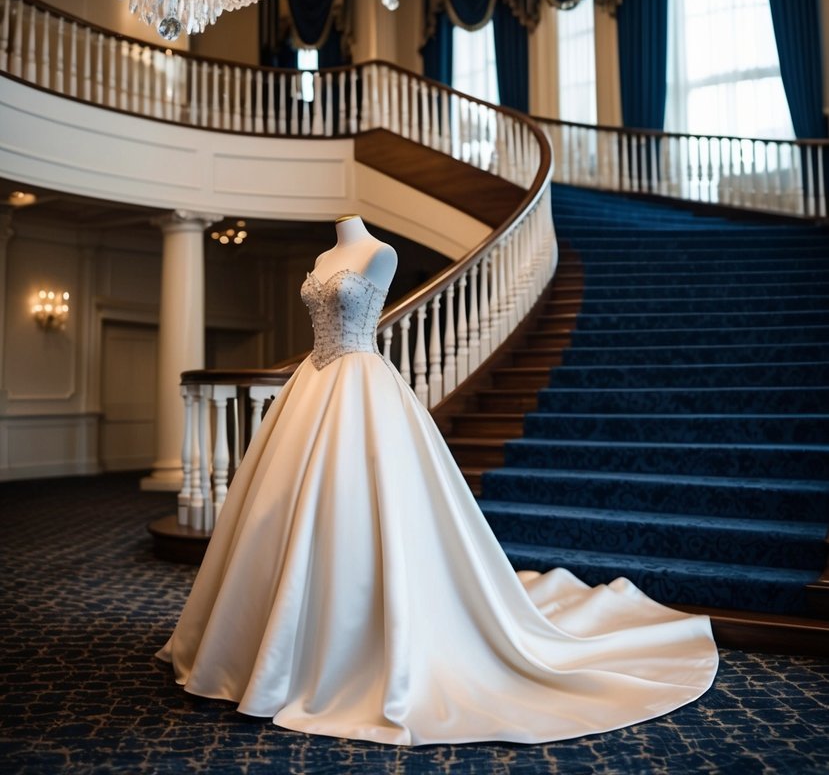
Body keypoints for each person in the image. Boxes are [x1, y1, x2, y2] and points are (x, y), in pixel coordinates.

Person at [159, 215, 718, 746]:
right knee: (277, 512)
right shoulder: (326, 255)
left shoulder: (380, 253)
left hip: (361, 386)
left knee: (362, 513)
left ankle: (353, 652)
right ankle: (262, 646)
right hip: (310, 387)